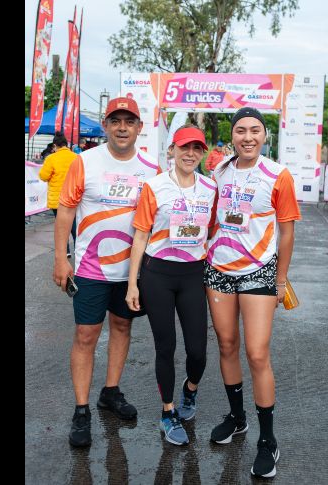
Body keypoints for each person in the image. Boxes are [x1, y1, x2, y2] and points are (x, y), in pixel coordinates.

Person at [53, 97, 161, 448]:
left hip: (131, 272)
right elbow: (66, 212)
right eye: (116, 121)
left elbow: (158, 221)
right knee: (86, 335)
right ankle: (81, 409)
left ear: (139, 127)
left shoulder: (151, 169)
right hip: (89, 268)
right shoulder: (85, 162)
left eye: (129, 121)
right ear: (106, 125)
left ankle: (110, 392)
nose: (122, 127)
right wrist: (60, 258)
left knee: (122, 326)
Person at [204, 107, 301, 478]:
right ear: (232, 135)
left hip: (259, 272)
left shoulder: (278, 175)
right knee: (226, 345)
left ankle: (268, 441)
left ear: (265, 135)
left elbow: (287, 231)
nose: (247, 137)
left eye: (255, 131)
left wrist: (280, 279)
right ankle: (237, 417)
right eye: (241, 130)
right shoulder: (219, 170)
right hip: (218, 270)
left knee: (257, 353)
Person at [124, 125, 215, 446]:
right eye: (184, 147)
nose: (190, 153)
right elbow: (140, 235)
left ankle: (190, 390)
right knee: (166, 347)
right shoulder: (155, 187)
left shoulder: (209, 188)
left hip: (193, 275)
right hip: (157, 275)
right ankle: (168, 412)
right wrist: (133, 283)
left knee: (198, 352)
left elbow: (213, 231)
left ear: (202, 153)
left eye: (196, 148)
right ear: (172, 150)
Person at [39, 132, 77, 257]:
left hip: (57, 199)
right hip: (73, 198)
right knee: (74, 225)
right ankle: (78, 248)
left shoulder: (51, 158)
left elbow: (43, 176)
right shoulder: (76, 157)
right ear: (66, 144)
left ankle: (65, 251)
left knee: (61, 226)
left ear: (55, 146)